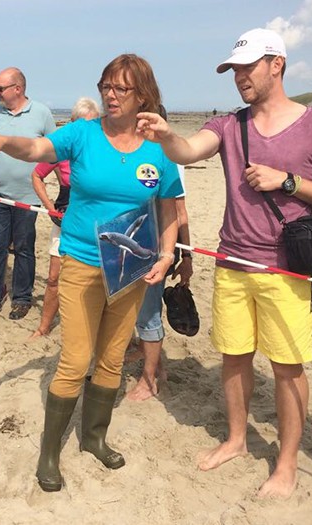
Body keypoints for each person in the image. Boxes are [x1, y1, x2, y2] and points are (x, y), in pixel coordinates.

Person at [136, 28, 312, 497]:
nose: (239, 78)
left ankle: (287, 462)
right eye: (233, 70)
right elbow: (188, 152)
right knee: (233, 358)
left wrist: (287, 182)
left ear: (277, 63)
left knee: (287, 367)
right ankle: (236, 439)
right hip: (233, 262)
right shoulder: (229, 124)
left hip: (287, 269)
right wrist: (166, 133)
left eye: (247, 67)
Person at [0, 53, 182, 492]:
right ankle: (49, 455)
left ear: (142, 94)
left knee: (110, 358)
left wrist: (165, 255)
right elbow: (36, 149)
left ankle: (94, 438)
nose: (110, 94)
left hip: (131, 266)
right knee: (75, 358)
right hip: (83, 262)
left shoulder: (158, 150)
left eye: (121, 88)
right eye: (106, 85)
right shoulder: (84, 134)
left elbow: (169, 208)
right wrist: (3, 142)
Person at [0, 67, 56, 320]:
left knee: (23, 248)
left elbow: (55, 152)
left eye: (0, 89)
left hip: (28, 198)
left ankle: (22, 298)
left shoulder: (41, 113)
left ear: (17, 89)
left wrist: (42, 182)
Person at [127, 107, 192, 401]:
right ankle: (157, 365)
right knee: (131, 313)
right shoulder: (126, 152)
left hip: (156, 250)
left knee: (149, 314)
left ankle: (150, 378)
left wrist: (186, 256)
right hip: (125, 248)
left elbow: (180, 212)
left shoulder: (169, 158)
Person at [29, 96, 100, 339]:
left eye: (90, 123)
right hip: (65, 218)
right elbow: (37, 176)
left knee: (97, 279)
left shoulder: (102, 150)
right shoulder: (63, 148)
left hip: (94, 221)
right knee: (53, 277)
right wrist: (49, 208)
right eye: (80, 123)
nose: (84, 129)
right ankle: (44, 326)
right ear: (72, 123)